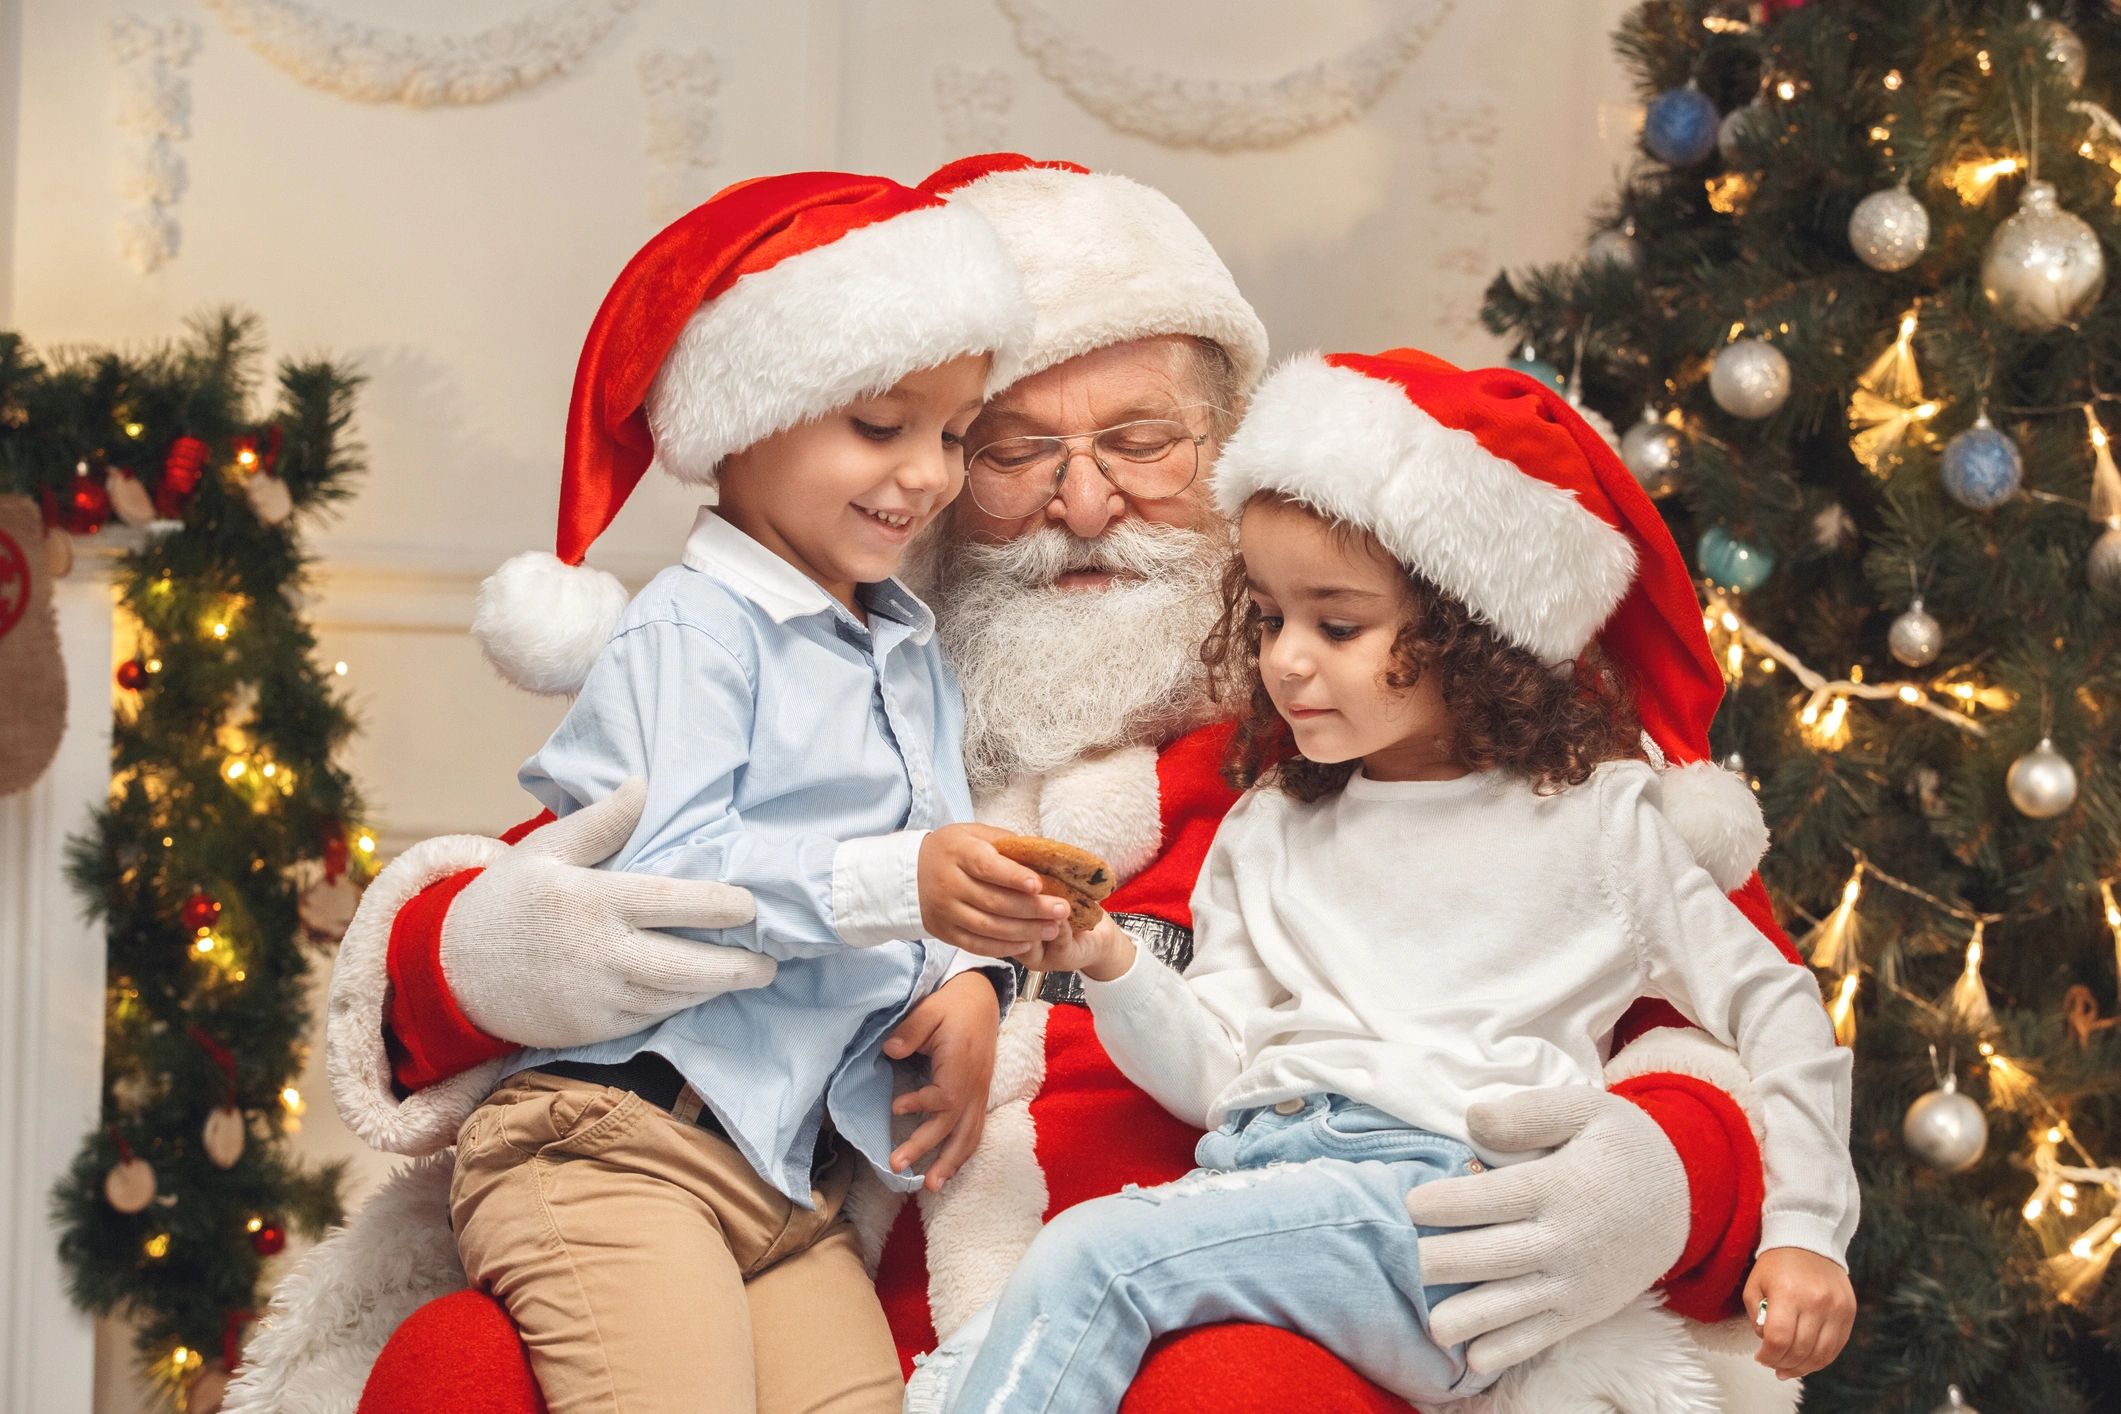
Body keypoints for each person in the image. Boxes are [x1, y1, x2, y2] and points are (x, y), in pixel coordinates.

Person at [231, 157, 1805, 1414]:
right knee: (458, 1365)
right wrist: (487, 943)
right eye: (1009, 449)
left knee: (1232, 1388)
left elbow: (1704, 988)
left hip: (1241, 1316)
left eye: (1140, 441)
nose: (1078, 504)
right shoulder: (805, 680)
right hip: (806, 1288)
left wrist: (1671, 1168)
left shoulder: (1367, 718)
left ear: (1236, 456)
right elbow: (517, 904)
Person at [910, 349, 1859, 1413]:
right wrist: (1115, 964)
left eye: (1339, 625)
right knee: (965, 1370)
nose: (1286, 660)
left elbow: (1773, 1002)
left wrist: (1808, 1230)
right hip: (1265, 1183)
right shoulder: (1272, 820)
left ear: (1472, 632)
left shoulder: (1598, 822)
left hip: (1451, 1218)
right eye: (1269, 617)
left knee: (1091, 1262)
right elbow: (1222, 1074)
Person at [439, 170, 1056, 1414]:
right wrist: (905, 884)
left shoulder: (907, 652)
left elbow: (938, 859)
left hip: (783, 1187)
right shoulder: (694, 628)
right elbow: (673, 891)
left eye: (954, 430)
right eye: (881, 427)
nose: (926, 474)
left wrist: (976, 985)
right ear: (748, 418)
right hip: (609, 1144)